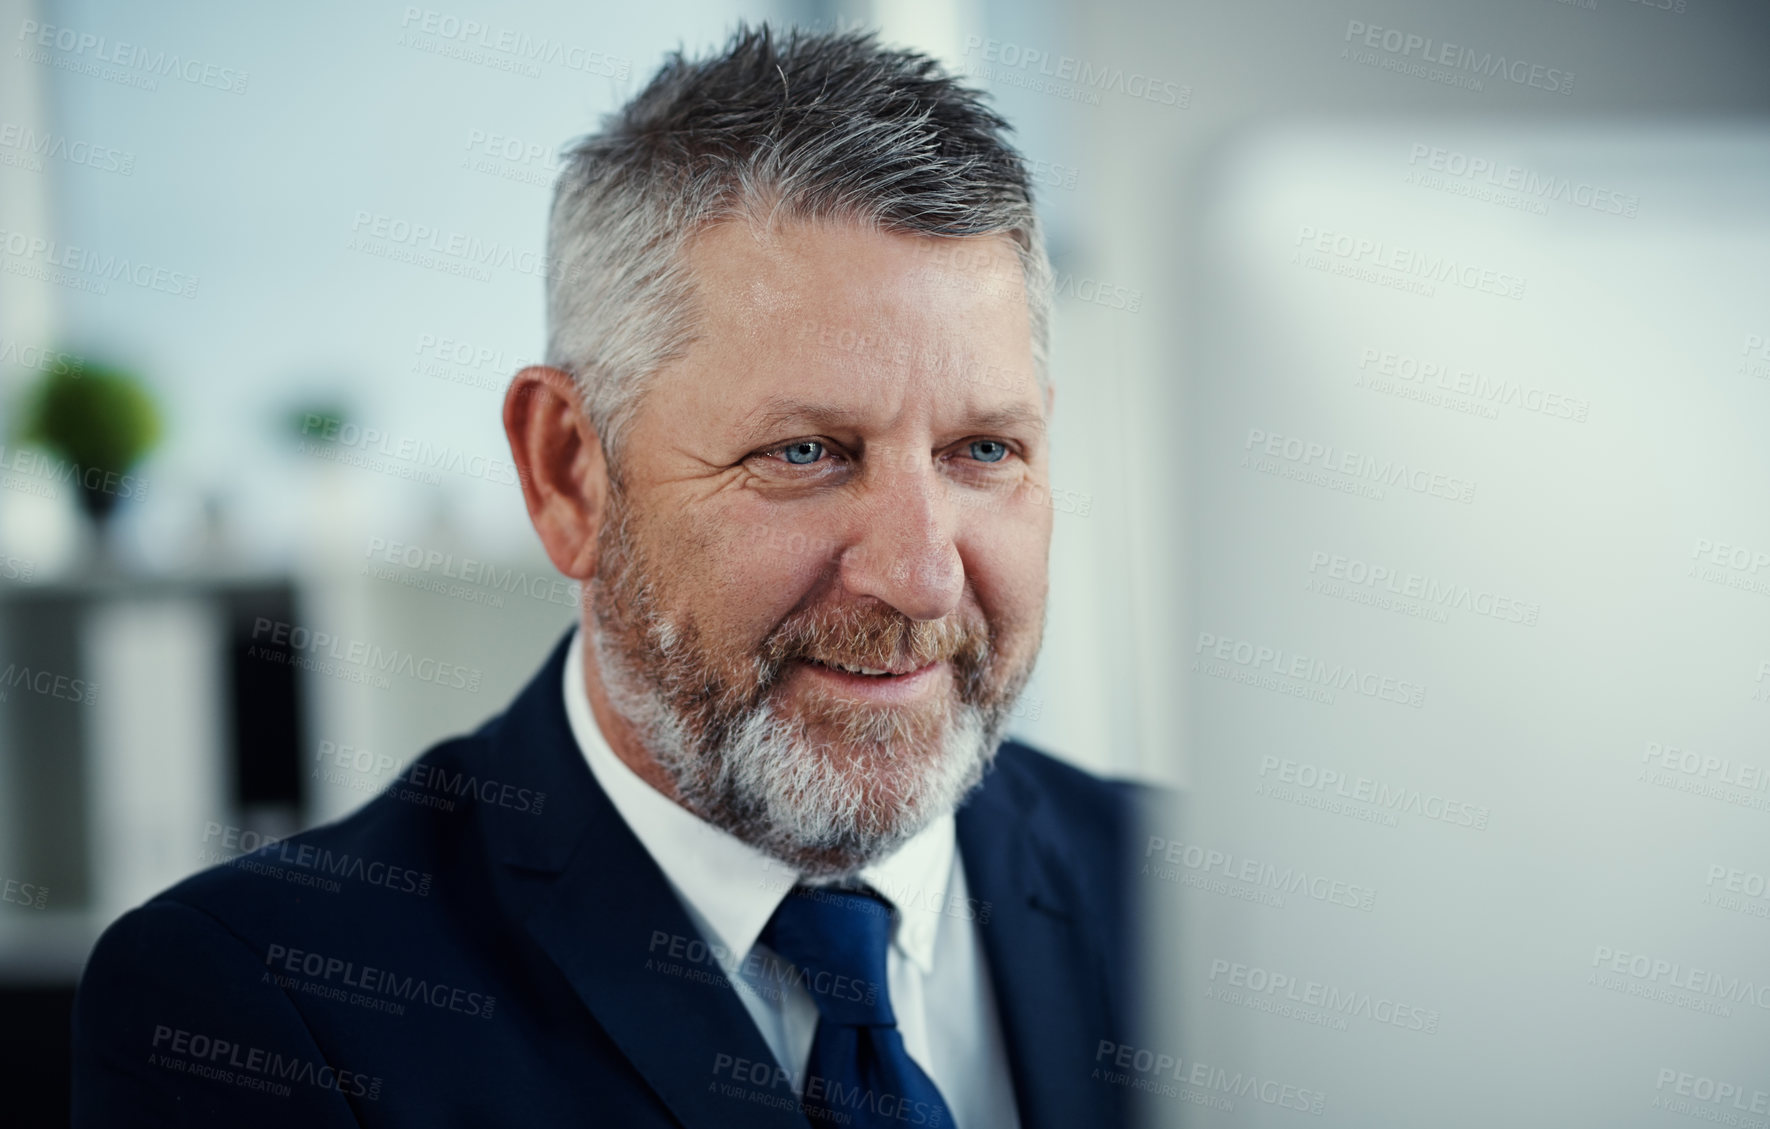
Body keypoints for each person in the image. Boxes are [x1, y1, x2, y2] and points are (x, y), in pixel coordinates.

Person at [72, 23, 1150, 1128]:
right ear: (568, 473)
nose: (921, 578)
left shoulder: (1196, 901)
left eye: (984, 451)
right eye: (803, 453)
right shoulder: (254, 1012)